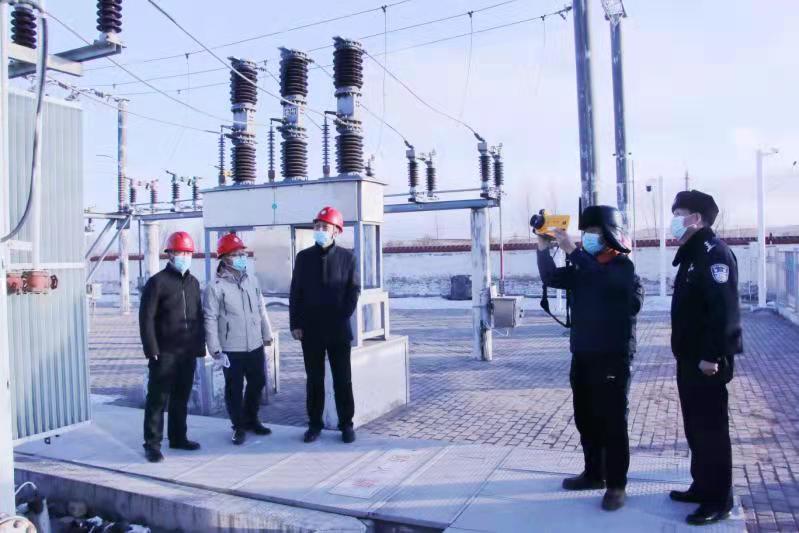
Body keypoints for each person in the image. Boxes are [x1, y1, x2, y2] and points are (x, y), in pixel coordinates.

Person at [537, 205, 644, 511]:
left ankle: (616, 485)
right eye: (585, 232)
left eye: (594, 232)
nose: (587, 238)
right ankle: (593, 473)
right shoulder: (584, 266)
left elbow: (604, 283)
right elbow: (551, 276)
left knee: (612, 422)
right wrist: (543, 248)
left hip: (612, 357)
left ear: (610, 235)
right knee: (586, 417)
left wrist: (573, 251)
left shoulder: (622, 267)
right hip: (583, 354)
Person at [669, 190, 742, 525]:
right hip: (689, 359)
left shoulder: (715, 254)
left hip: (707, 362)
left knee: (712, 431)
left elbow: (723, 310)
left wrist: (712, 355)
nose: (673, 221)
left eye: (678, 214)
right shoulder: (693, 253)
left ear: (695, 218)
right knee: (695, 428)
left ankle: (718, 500)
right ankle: (701, 486)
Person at [290, 206, 360, 444]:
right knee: (314, 380)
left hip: (338, 330)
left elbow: (353, 291)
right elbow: (295, 293)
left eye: (325, 227)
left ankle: (346, 425)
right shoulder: (303, 258)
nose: (319, 230)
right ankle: (314, 424)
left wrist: (341, 317)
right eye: (317, 226)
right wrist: (295, 323)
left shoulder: (348, 258)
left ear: (336, 231)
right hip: (310, 331)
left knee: (343, 380)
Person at [139, 231, 205, 463]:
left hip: (187, 353)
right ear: (170, 254)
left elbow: (198, 316)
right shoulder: (157, 282)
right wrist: (152, 349)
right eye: (179, 252)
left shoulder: (194, 283)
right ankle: (152, 444)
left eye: (187, 252)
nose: (183, 256)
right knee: (158, 399)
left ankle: (178, 437)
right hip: (164, 353)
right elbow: (146, 318)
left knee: (181, 397)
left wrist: (199, 347)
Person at [204, 233, 274, 445]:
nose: (241, 257)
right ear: (224, 258)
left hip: (254, 344)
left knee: (258, 382)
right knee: (234, 389)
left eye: (242, 253)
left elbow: (261, 309)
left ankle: (252, 419)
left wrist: (267, 334)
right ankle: (238, 426)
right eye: (235, 254)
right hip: (231, 348)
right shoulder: (215, 286)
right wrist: (215, 348)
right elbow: (210, 318)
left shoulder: (252, 280)